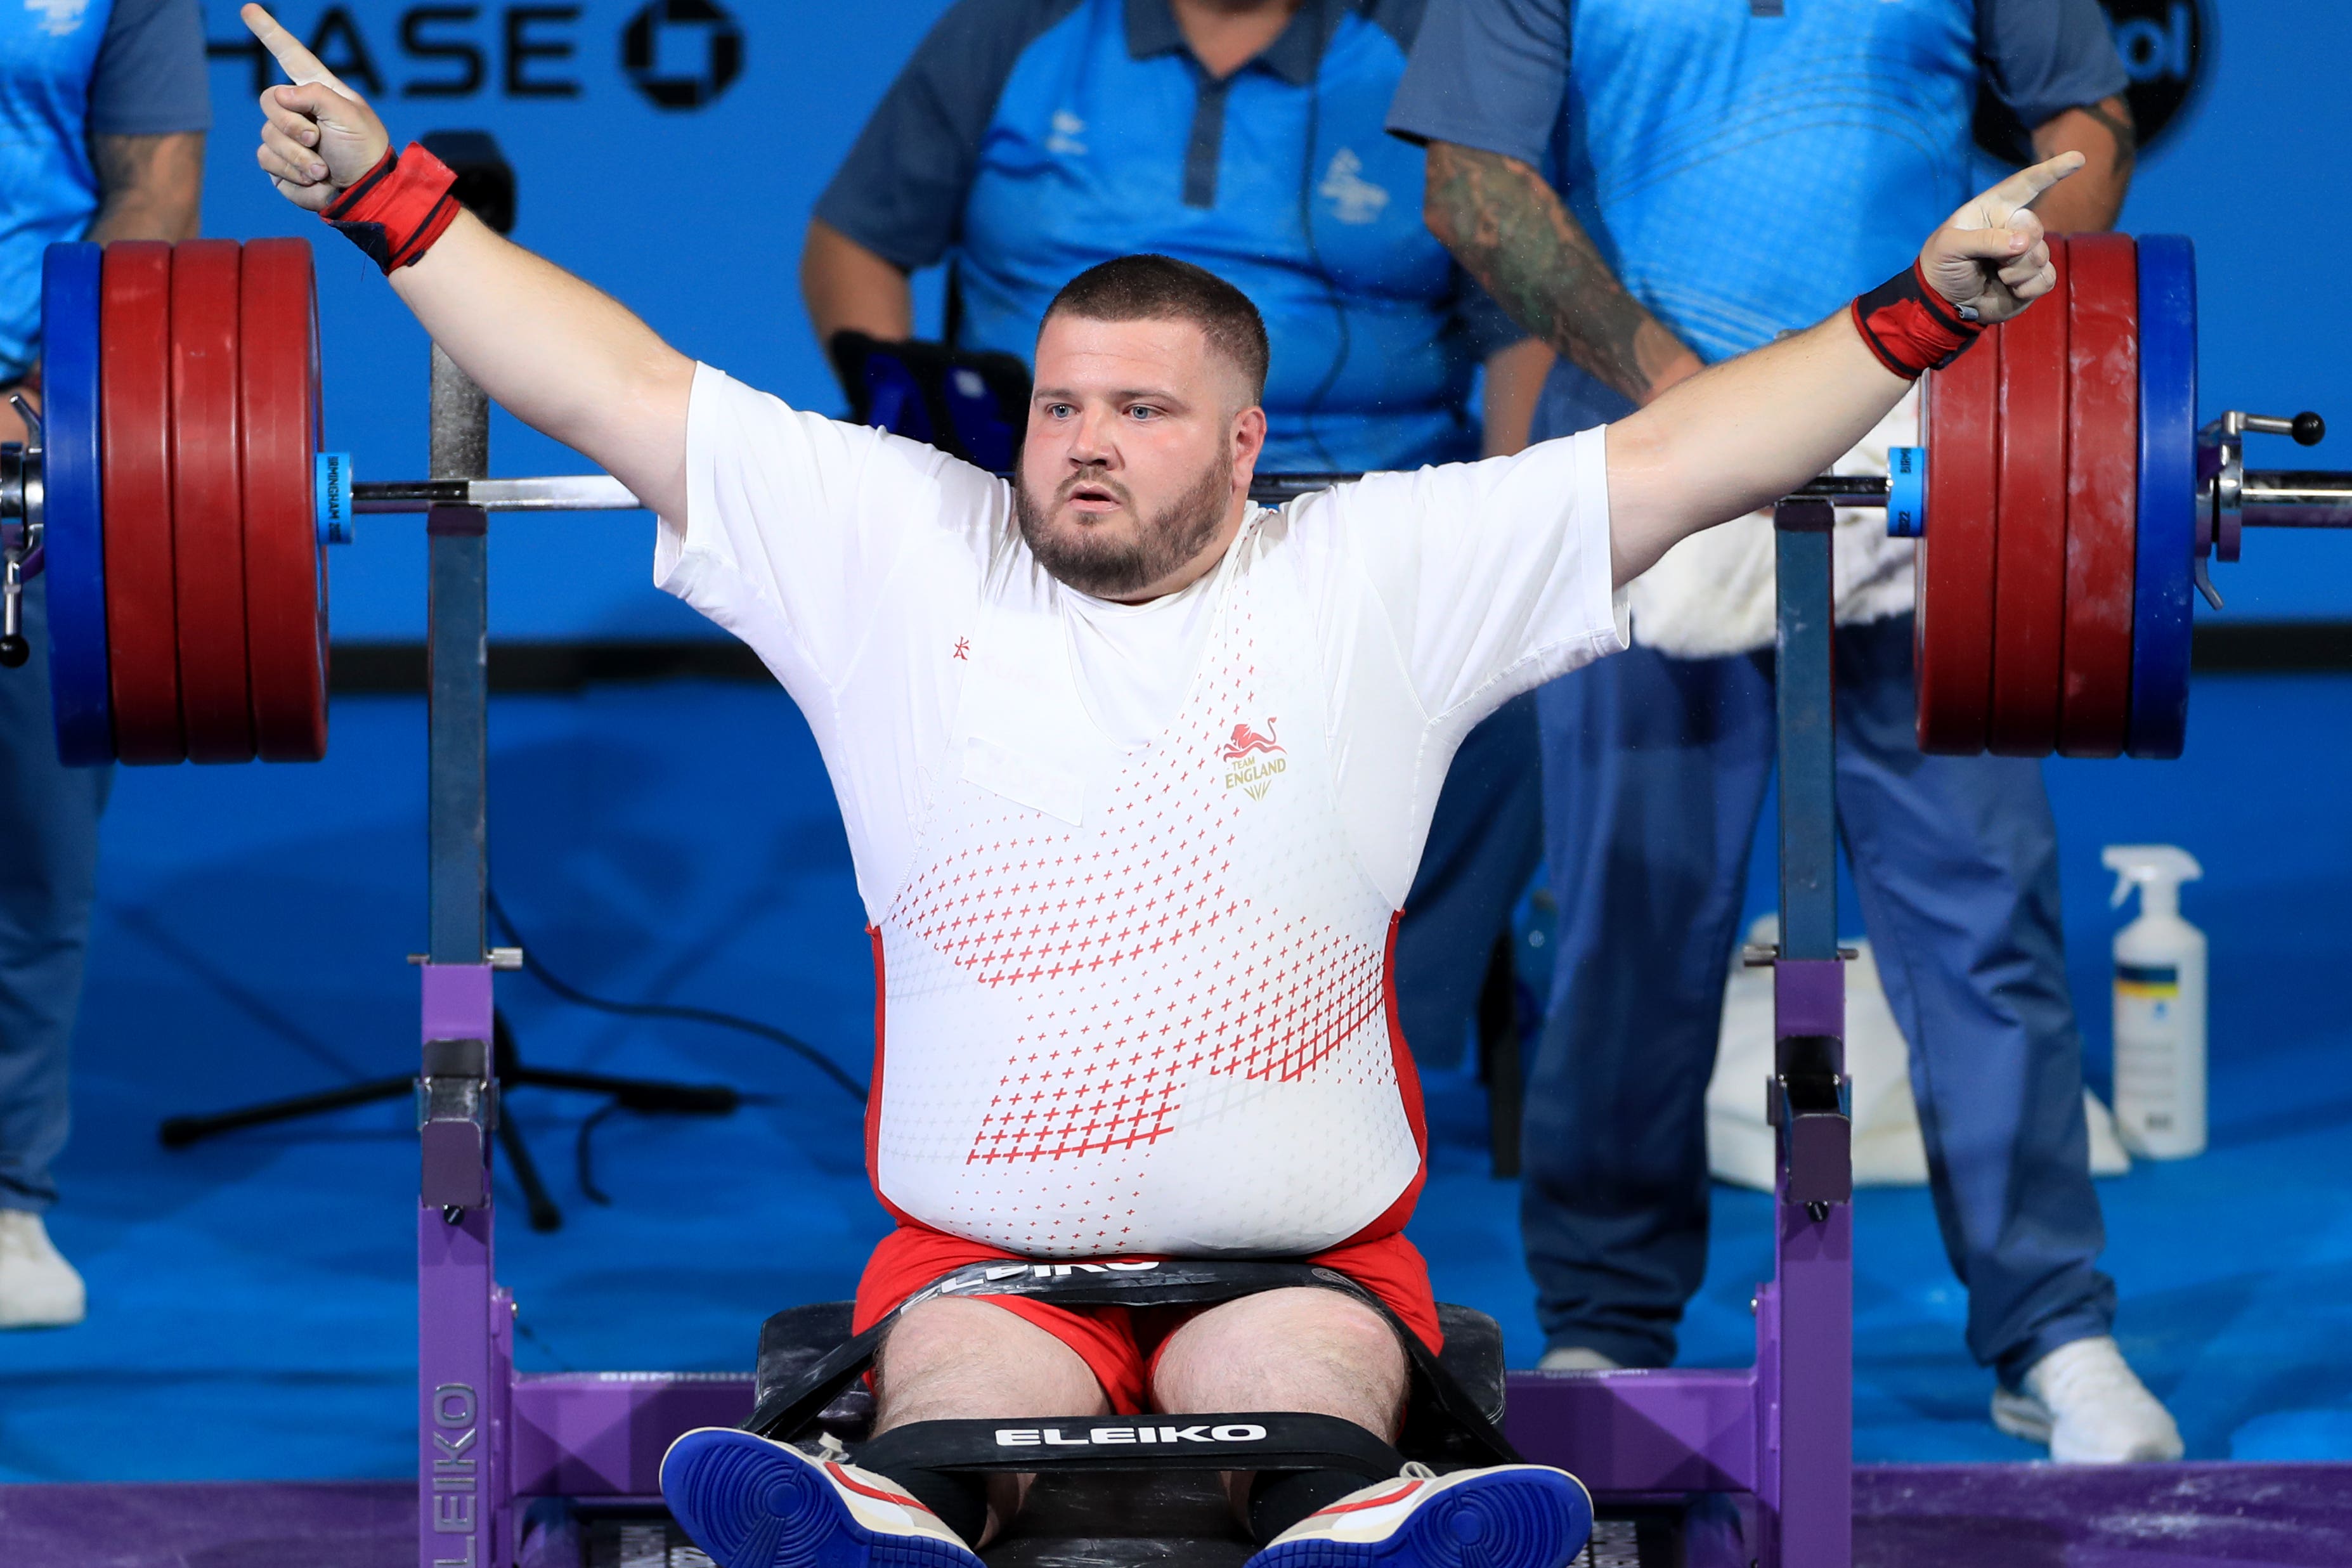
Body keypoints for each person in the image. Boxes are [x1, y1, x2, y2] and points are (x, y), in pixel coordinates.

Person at [238, 5, 2074, 1563]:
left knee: (1284, 1396)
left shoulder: (1380, 573)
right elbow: (612, 385)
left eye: (1140, 412)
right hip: (984, 1256)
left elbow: (1679, 459)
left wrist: (1914, 315)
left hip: (1302, 1255)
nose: (1084, 446)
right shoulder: (892, 549)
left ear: (1246, 439)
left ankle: (1357, 1515)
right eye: (1058, 406)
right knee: (969, 1409)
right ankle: (883, 1512)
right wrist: (387, 204)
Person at [1388, 0, 2180, 1462]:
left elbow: (2085, 116)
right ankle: (1606, 1328)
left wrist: (2016, 271)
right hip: (1650, 448)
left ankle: (2052, 1328)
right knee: (1627, 919)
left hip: (1945, 452)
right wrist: (1708, 413)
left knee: (1983, 913)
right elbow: (1472, 182)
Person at [802, 0, 1557, 1077]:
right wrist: (903, 407)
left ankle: (1353, 1053)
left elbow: (1518, 321)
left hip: (1344, 506)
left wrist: (1500, 516)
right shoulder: (1017, 31)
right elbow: (856, 240)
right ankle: (1039, 1038)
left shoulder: (1419, 45)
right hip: (1060, 517)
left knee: (1509, 699)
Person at [0, 0, 208, 1330]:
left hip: (23, 434)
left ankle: (7, 1194)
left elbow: (152, 181)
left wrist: (28, 393)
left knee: (36, 845)